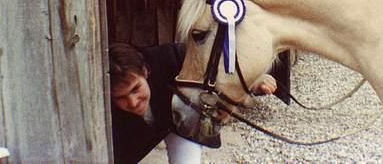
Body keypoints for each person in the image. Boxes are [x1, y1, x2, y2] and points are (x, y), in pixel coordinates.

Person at [110, 42, 277, 164]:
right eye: (120, 97)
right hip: (135, 130)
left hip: (180, 120)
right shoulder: (104, 112)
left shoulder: (171, 58)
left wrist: (253, 80)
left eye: (135, 89)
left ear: (146, 71)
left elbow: (218, 68)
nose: (132, 102)